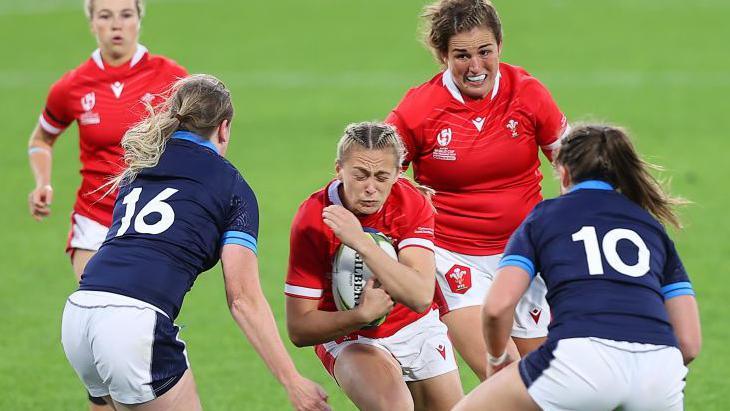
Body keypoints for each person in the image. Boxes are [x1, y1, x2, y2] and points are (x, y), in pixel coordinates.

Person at [61, 75, 331, 411]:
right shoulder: (231, 186)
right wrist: (293, 381)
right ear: (224, 128)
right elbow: (243, 298)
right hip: (134, 325)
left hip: (80, 315)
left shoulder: (138, 170)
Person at [453, 124, 702, 411]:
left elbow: (497, 306)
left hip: (580, 358)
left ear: (564, 172)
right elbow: (689, 342)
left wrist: (497, 359)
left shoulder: (545, 216)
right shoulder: (651, 227)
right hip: (660, 372)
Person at [385, 0, 569, 379]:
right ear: (442, 55)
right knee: (508, 383)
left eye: (485, 52)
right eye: (461, 55)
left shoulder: (528, 93)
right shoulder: (418, 109)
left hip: (524, 255)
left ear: (499, 45)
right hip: (454, 258)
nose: (475, 67)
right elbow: (378, 172)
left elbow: (573, 165)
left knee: (550, 383)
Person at [285, 122, 463, 411]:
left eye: (382, 177)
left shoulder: (410, 201)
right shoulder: (313, 218)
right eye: (360, 175)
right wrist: (360, 315)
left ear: (397, 173)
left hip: (416, 328)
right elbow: (299, 328)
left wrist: (362, 242)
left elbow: (419, 297)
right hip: (351, 336)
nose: (371, 188)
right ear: (339, 169)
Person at [27, 0, 187, 280]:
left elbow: (199, 140)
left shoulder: (173, 78)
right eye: (105, 16)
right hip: (94, 218)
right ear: (92, 23)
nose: (116, 24)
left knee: (146, 317)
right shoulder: (72, 86)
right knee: (94, 310)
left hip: (153, 216)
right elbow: (41, 139)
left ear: (139, 19)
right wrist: (43, 182)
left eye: (126, 15)